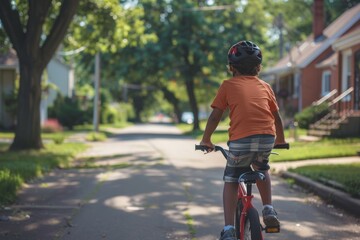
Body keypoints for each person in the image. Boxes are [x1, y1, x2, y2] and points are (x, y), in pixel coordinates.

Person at [199, 40, 287, 240]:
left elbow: (215, 116)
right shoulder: (266, 86)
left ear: (231, 67)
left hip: (241, 141)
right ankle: (268, 209)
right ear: (258, 67)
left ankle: (229, 229)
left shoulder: (228, 85)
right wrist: (280, 140)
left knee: (231, 180)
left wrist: (206, 140)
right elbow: (277, 118)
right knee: (262, 168)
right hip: (267, 138)